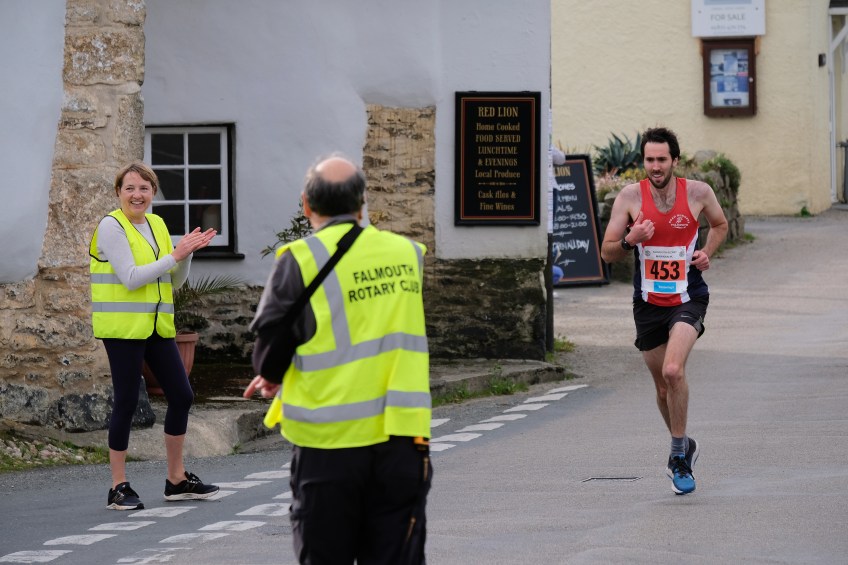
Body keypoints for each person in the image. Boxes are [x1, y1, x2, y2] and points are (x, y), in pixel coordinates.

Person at [244, 154, 433, 564]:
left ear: (306, 204)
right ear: (362, 203)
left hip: (327, 446)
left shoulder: (298, 260)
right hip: (402, 438)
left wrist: (272, 374)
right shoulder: (408, 254)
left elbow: (268, 356)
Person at [600, 127, 728, 495]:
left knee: (673, 371)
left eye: (662, 159)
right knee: (661, 388)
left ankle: (677, 457)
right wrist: (631, 240)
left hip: (689, 296)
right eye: (649, 160)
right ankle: (685, 443)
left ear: (675, 160)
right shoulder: (629, 197)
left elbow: (720, 225)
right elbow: (607, 251)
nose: (655, 166)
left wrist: (707, 252)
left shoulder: (698, 192)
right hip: (648, 304)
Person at [89, 161, 220, 510]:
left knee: (182, 395)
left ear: (153, 193)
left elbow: (174, 280)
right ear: (118, 192)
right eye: (130, 188)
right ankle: (118, 487)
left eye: (144, 188)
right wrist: (176, 254)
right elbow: (131, 277)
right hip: (123, 329)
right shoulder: (111, 226)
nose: (137, 195)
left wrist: (186, 255)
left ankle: (176, 480)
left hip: (156, 326)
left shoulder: (157, 224)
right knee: (127, 401)